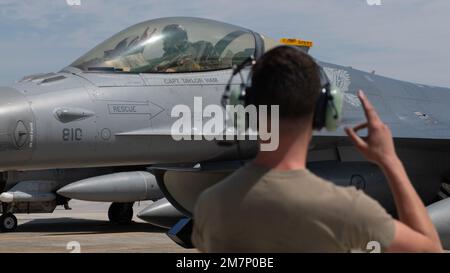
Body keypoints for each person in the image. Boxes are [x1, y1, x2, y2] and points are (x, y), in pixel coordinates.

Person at [191, 46, 443, 252]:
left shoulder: (209, 205)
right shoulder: (348, 208)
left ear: (243, 108)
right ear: (326, 111)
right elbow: (428, 248)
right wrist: (390, 162)